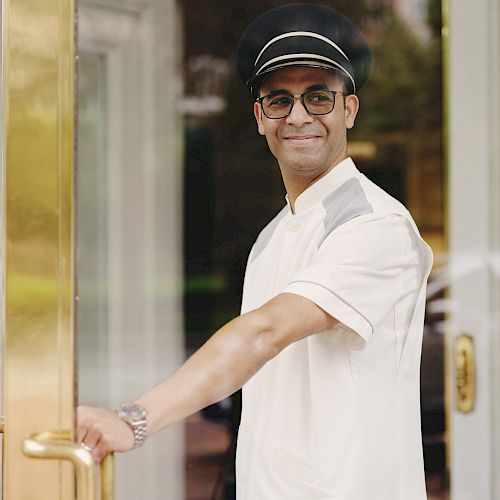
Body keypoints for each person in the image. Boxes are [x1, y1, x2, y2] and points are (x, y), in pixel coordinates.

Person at [78, 4, 433, 499]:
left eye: (319, 97)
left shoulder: (375, 225)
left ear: (349, 109)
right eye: (279, 101)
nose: (300, 116)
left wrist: (133, 420)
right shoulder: (272, 236)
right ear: (260, 118)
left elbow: (263, 333)